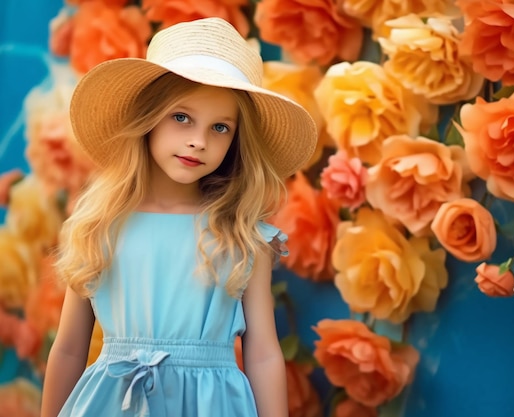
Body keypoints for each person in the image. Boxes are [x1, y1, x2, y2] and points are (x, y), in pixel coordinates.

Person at [40, 17, 317, 417]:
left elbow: (263, 354)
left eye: (220, 127)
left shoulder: (242, 235)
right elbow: (68, 347)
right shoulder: (100, 225)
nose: (198, 141)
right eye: (181, 117)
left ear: (236, 142)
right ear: (147, 118)